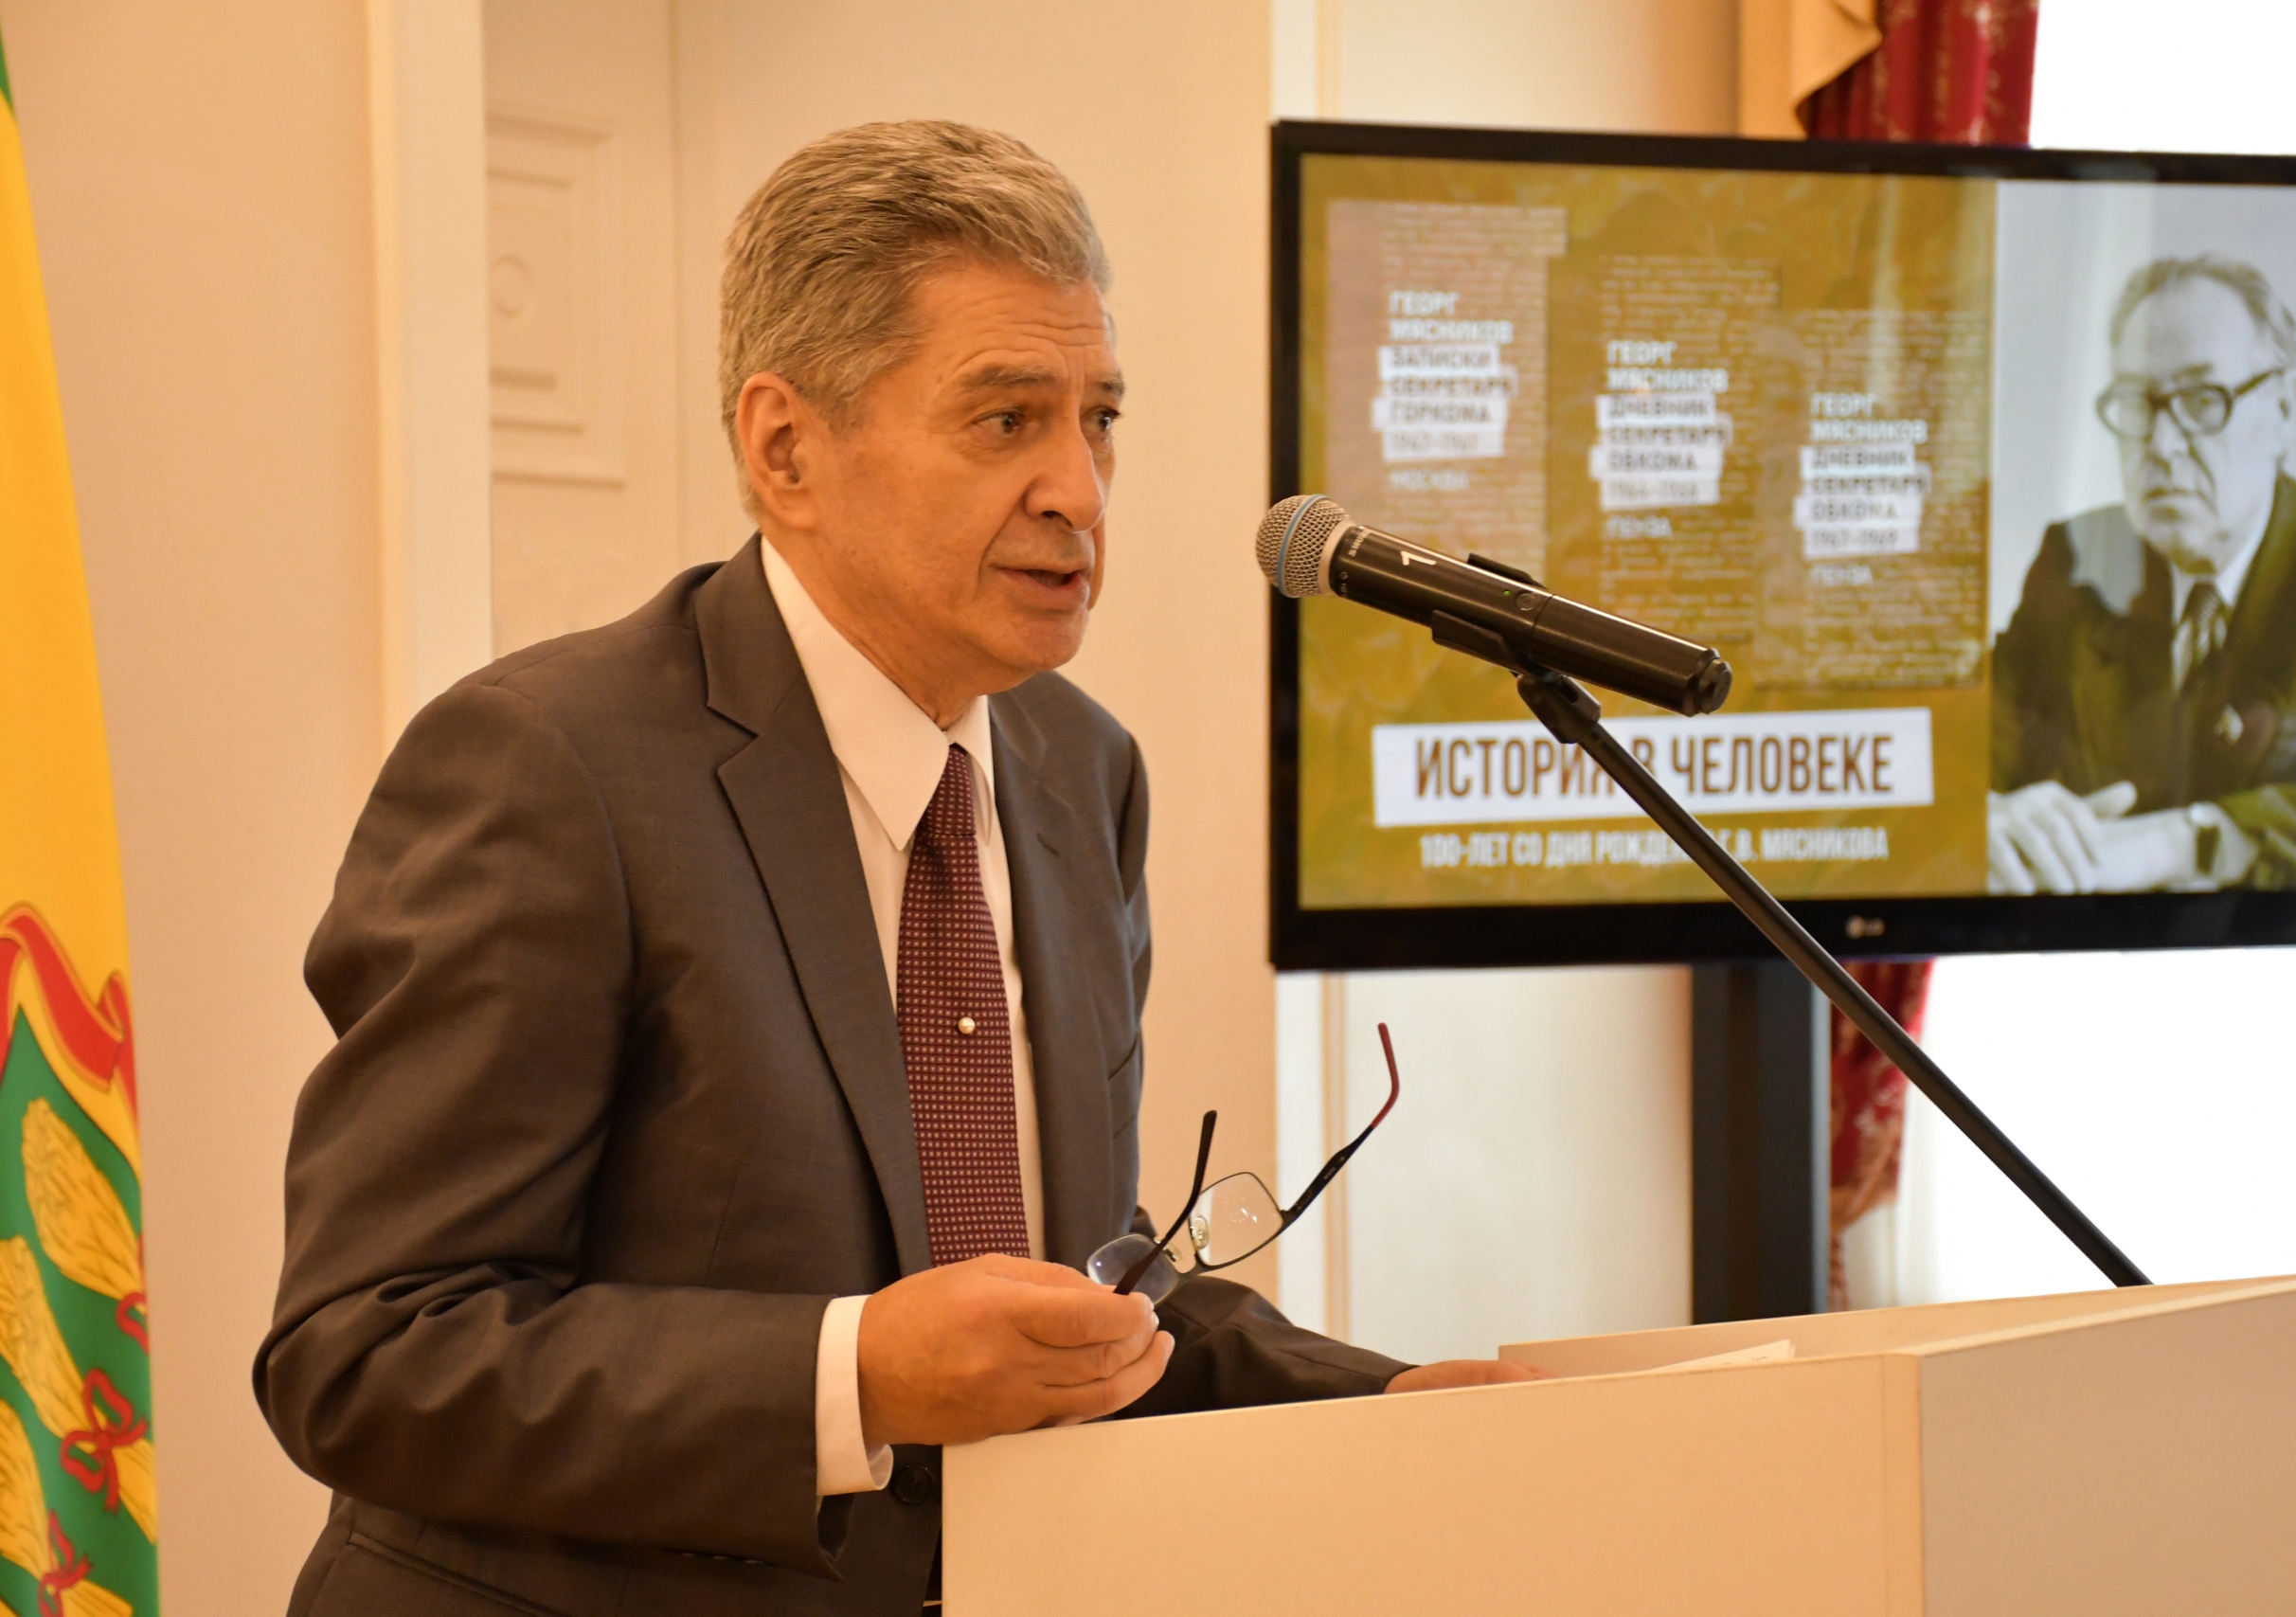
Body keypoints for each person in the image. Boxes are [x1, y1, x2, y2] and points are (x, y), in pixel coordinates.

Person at [255, 121, 1536, 1617]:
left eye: (1100, 418)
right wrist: (851, 1371)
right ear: (784, 447)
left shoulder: (1080, 769)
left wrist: (1383, 1404)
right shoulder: (549, 766)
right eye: (1006, 420)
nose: (1080, 488)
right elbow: (367, 1349)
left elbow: (1077, 1283)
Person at [1988, 253, 2296, 894]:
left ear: (2284, 410)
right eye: (2135, 403)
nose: (2161, 445)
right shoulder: (2078, 562)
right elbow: (1965, 746)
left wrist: (2183, 843)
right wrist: (1983, 814)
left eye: (2203, 401)